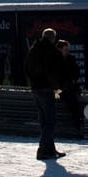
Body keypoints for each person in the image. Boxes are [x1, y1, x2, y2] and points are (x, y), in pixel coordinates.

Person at [24, 28, 66, 160]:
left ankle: (50, 149)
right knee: (50, 121)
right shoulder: (51, 52)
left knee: (44, 120)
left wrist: (33, 83)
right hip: (47, 89)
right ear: (53, 38)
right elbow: (52, 72)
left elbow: (26, 67)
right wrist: (57, 88)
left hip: (36, 88)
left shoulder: (34, 49)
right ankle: (42, 150)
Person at [57, 39, 88, 140]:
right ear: (60, 49)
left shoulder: (71, 58)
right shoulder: (54, 59)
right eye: (65, 49)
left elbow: (76, 72)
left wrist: (72, 80)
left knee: (75, 107)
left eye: (68, 49)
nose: (67, 51)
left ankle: (78, 129)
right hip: (59, 88)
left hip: (70, 87)